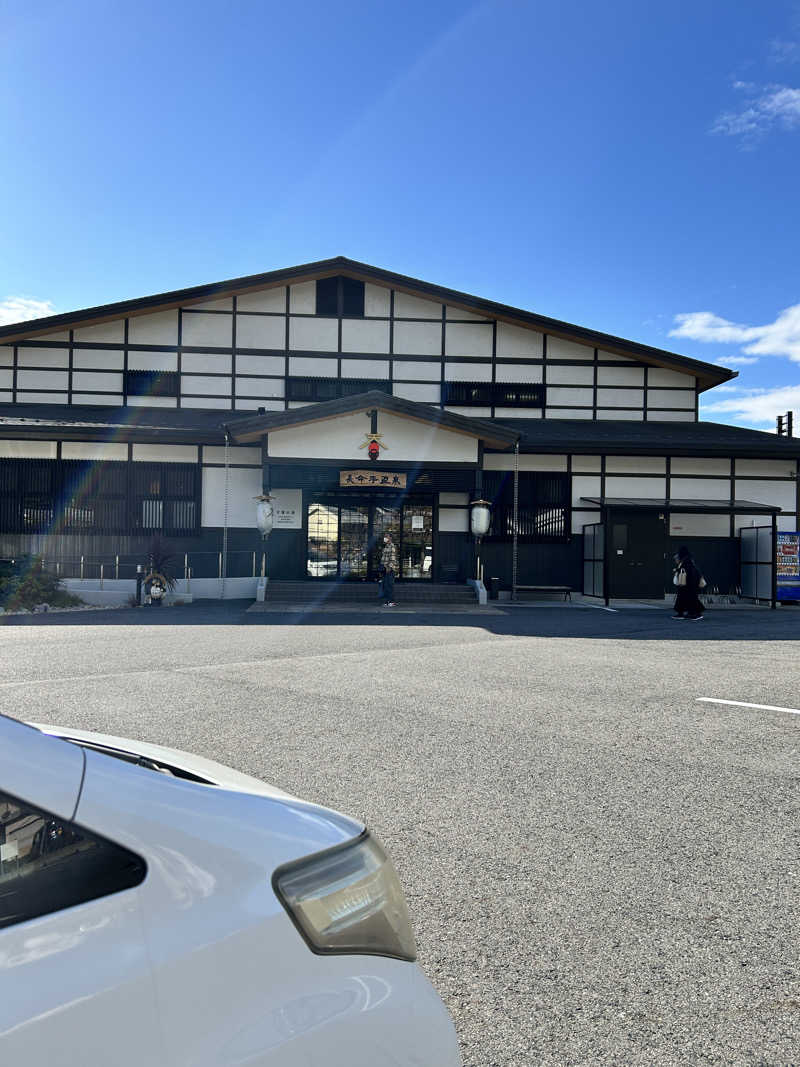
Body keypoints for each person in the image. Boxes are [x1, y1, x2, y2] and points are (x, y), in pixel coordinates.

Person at [672, 545, 704, 620]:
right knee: (689, 598)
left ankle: (691, 613)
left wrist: (677, 570)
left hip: (688, 583)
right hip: (691, 583)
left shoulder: (686, 561)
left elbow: (686, 571)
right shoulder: (689, 559)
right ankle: (693, 613)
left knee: (686, 598)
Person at [379, 533, 398, 607]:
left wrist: (389, 568)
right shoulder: (386, 546)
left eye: (386, 536)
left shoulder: (392, 546)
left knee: (390, 585)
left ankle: (391, 601)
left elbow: (393, 559)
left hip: (389, 569)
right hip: (384, 568)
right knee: (385, 586)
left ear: (390, 538)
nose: (385, 538)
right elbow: (383, 558)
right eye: (385, 536)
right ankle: (387, 601)